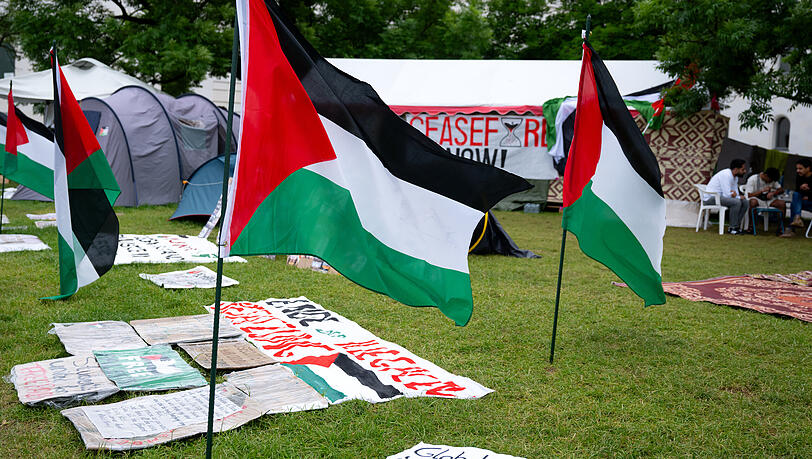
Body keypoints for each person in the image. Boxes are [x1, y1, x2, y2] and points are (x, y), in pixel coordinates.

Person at [705, 159, 748, 234]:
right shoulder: (726, 175)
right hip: (711, 198)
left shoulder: (735, 177)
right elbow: (727, 194)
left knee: (745, 202)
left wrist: (737, 196)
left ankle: (736, 226)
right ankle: (732, 228)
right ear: (735, 169)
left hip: (720, 198)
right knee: (736, 202)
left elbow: (735, 193)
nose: (745, 171)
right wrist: (737, 197)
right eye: (743, 169)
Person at [780, 158, 812, 237]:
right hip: (804, 202)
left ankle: (791, 229)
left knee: (794, 204)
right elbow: (798, 191)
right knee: (795, 196)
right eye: (797, 169)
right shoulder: (799, 176)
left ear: (808, 168)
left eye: (800, 169)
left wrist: (809, 191)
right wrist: (801, 188)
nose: (798, 171)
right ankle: (797, 218)